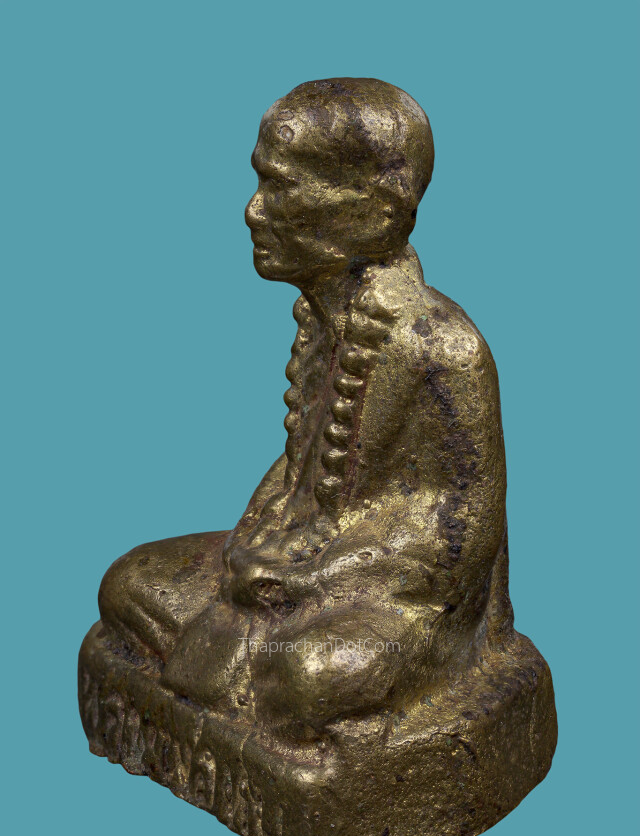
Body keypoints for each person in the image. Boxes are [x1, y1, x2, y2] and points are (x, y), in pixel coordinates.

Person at [98, 78, 514, 740]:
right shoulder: (321, 319)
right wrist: (253, 544)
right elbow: (305, 471)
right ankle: (240, 658)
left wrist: (314, 575)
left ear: (373, 212)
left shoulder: (442, 347)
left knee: (309, 675)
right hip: (296, 565)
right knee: (129, 584)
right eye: (260, 182)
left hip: (396, 598)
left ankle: (247, 664)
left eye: (281, 188)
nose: (253, 211)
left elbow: (460, 541)